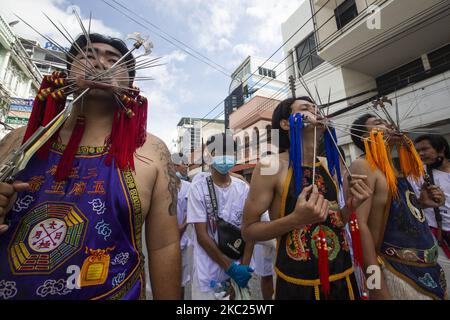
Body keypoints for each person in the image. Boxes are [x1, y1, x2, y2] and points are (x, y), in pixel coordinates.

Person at [0, 34, 181, 300]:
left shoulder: (153, 152)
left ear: (130, 85)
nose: (100, 64)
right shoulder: (19, 140)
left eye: (113, 60)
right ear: (66, 71)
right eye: (88, 55)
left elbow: (164, 246)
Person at [242, 97, 371, 300]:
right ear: (285, 123)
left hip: (343, 274)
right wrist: (296, 219)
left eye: (317, 109)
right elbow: (248, 231)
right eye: (305, 108)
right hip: (296, 282)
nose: (315, 112)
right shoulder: (270, 166)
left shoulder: (331, 164)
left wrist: (351, 207)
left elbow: (335, 221)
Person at [348, 114, 447, 300]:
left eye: (385, 121)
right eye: (378, 123)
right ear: (365, 137)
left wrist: (422, 203)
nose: (387, 125)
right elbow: (359, 226)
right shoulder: (363, 166)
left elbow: (396, 216)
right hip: (395, 270)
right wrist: (375, 286)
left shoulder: (395, 168)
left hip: (428, 269)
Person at [187, 133, 254, 300]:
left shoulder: (243, 189)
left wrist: (241, 273)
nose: (225, 157)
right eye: (219, 152)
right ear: (209, 157)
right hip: (208, 274)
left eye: (230, 152)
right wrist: (230, 268)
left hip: (239, 272)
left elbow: (251, 231)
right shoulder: (198, 189)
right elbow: (202, 236)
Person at [413, 134, 450, 295]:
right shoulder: (418, 176)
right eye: (418, 150)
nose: (420, 154)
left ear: (441, 149)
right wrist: (422, 203)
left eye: (425, 149)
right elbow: (411, 207)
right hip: (437, 235)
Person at [172, 153, 192, 298]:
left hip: (183, 242)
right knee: (166, 279)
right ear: (173, 166)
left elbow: (192, 211)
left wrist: (182, 227)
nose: (186, 166)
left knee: (181, 282)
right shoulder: (162, 186)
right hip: (165, 242)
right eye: (183, 163)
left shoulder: (189, 187)